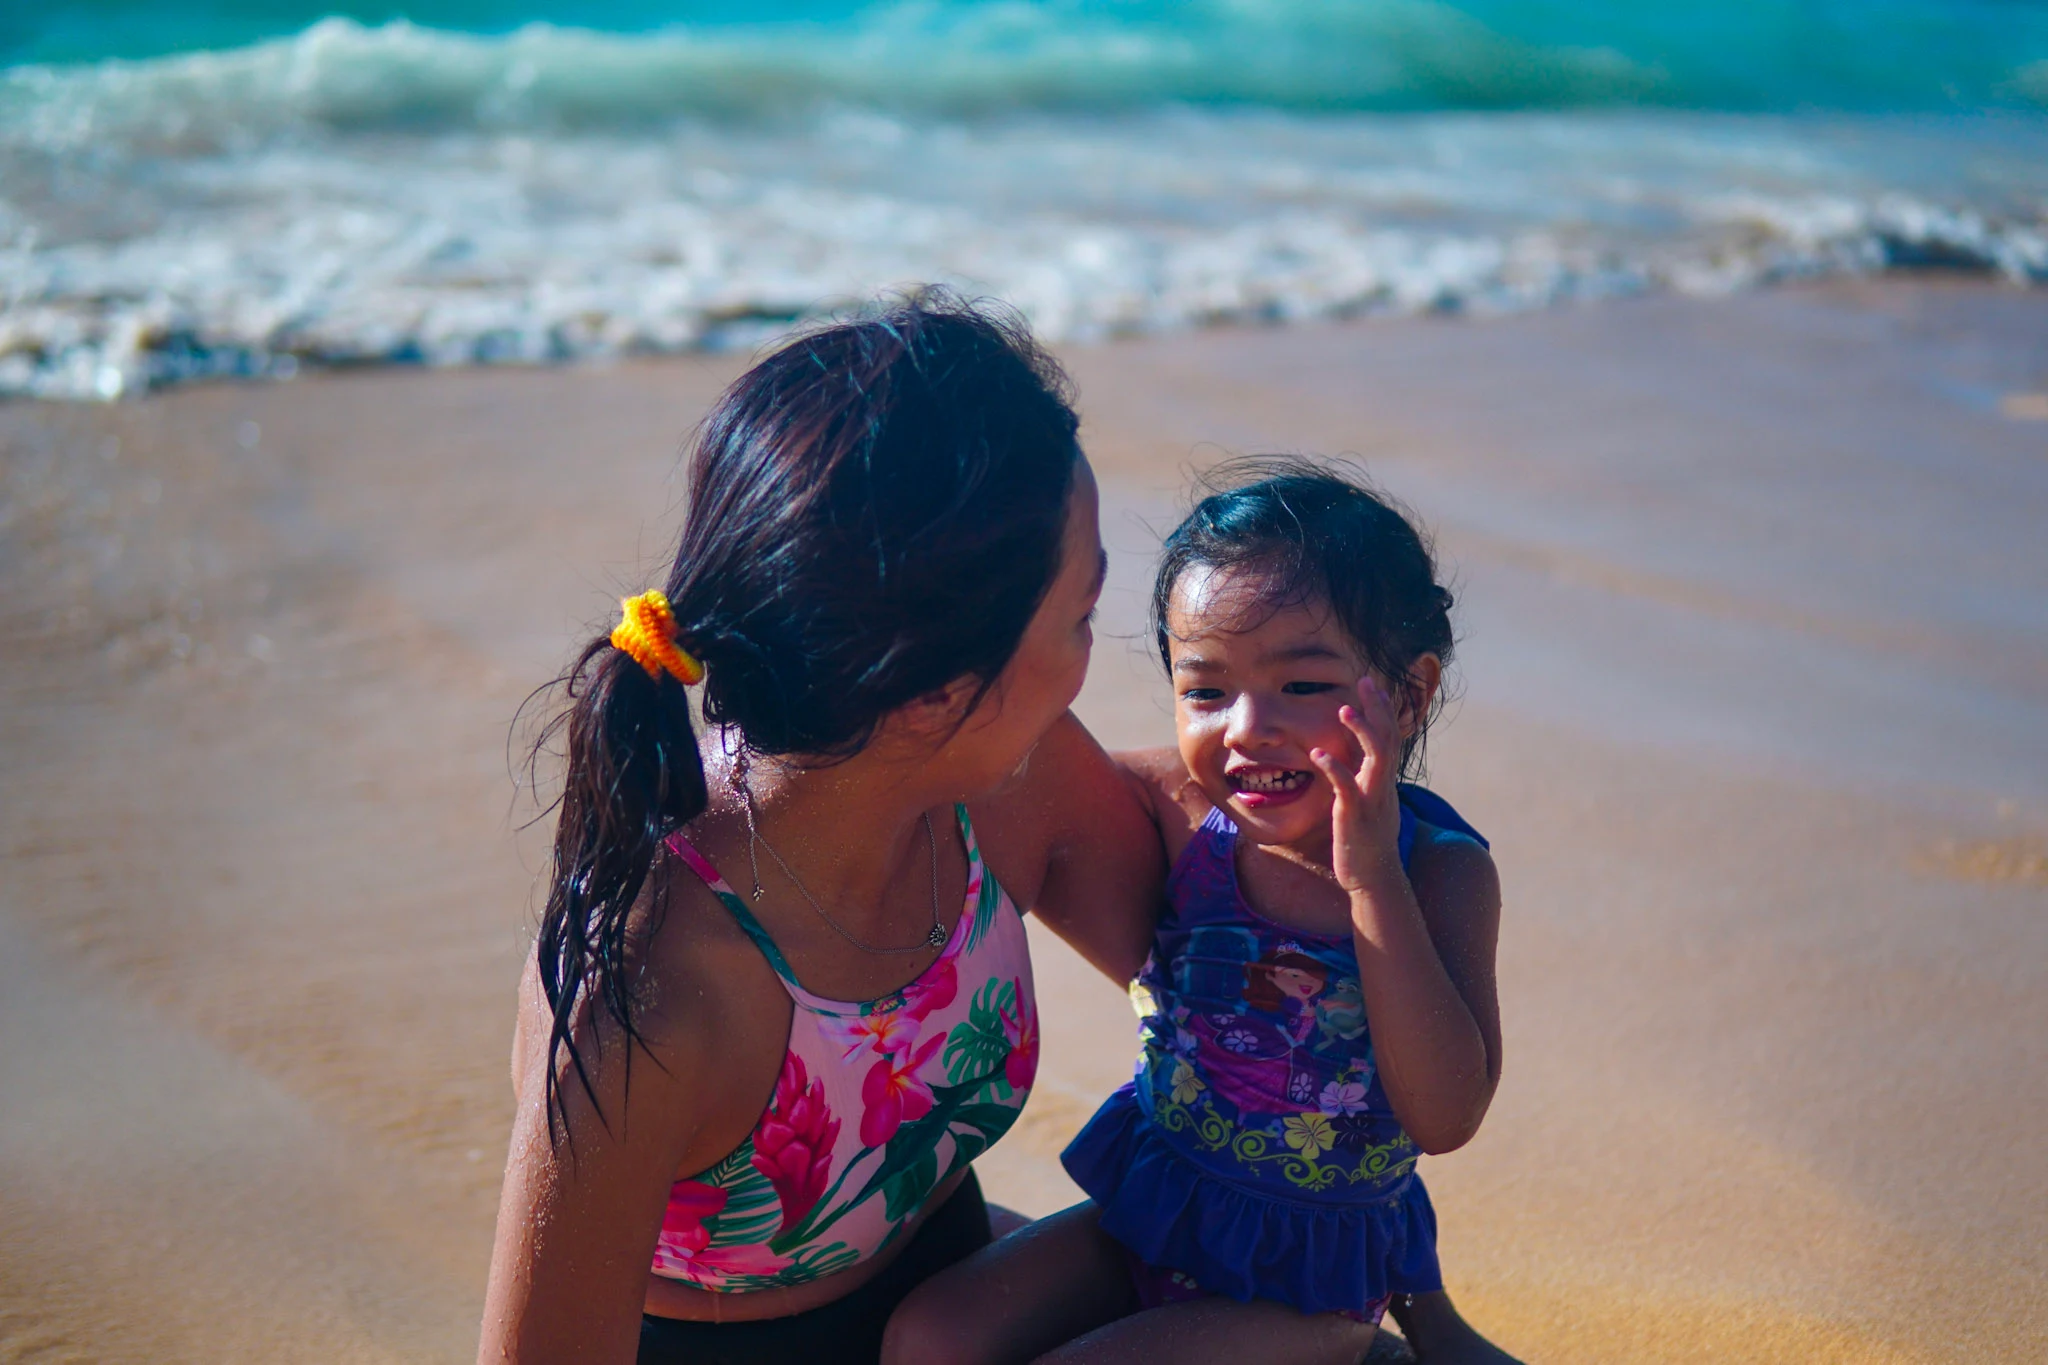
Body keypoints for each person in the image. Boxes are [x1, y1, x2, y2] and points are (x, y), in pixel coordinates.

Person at [476, 293, 1163, 1365]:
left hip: (954, 1305)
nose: (1091, 648)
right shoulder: (653, 998)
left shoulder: (999, 778)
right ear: (938, 693)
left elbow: (1225, 941)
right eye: (1078, 618)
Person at [885, 460, 1520, 1365]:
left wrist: (1370, 875)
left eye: (1301, 685)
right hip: (1158, 1213)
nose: (1246, 727)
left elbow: (1446, 1115)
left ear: (1409, 694)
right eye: (1206, 689)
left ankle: (1369, 1344)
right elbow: (1024, 766)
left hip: (1310, 1279)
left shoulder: (1439, 874)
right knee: (928, 1337)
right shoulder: (1185, 809)